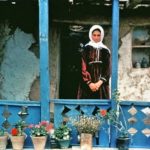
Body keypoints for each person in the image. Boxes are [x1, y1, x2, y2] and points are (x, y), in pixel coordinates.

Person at [77, 25, 111, 99]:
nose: (96, 37)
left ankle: (103, 111)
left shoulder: (105, 50)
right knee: (86, 108)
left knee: (103, 109)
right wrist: (89, 83)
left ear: (101, 36)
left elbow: (108, 69)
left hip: (101, 85)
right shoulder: (85, 49)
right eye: (94, 35)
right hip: (87, 85)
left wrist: (99, 83)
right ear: (91, 35)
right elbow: (83, 67)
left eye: (98, 35)